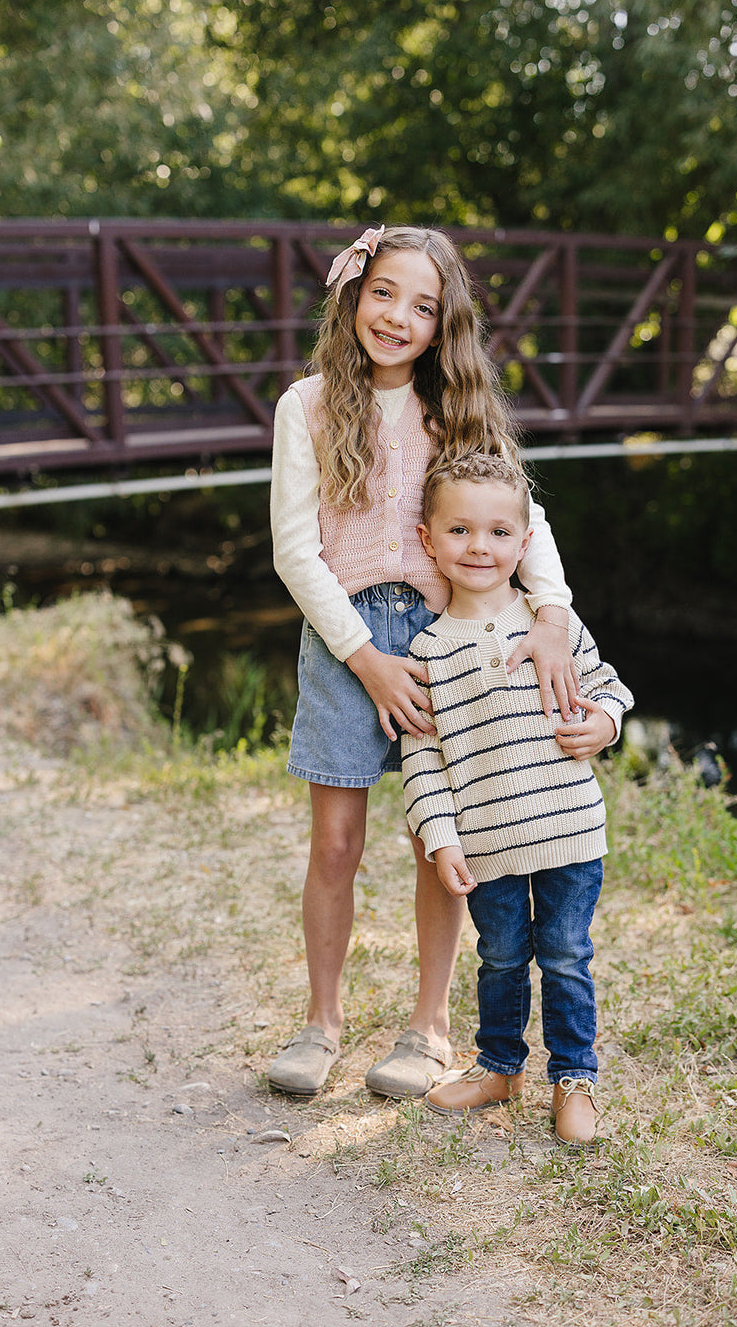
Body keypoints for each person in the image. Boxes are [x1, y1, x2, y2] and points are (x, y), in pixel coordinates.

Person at [268, 224, 577, 1100]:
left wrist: (550, 613)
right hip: (345, 640)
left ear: (444, 325)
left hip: (447, 638)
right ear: (352, 297)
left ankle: (429, 1027)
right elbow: (297, 551)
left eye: (423, 305)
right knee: (335, 841)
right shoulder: (309, 404)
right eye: (384, 294)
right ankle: (323, 1023)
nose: (398, 316)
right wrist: (364, 657)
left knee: (437, 837)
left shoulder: (461, 408)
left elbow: (527, 521)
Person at [401, 453, 633, 1145]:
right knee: (501, 956)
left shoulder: (549, 625)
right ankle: (500, 1066)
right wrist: (441, 838)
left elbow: (611, 687)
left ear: (527, 542)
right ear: (428, 540)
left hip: (568, 831)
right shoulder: (426, 650)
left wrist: (604, 722)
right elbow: (423, 762)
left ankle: (574, 1079)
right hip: (487, 844)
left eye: (500, 533)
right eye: (461, 531)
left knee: (565, 954)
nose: (480, 547)